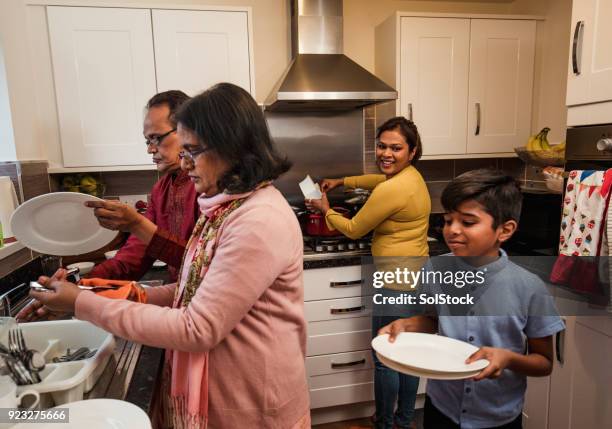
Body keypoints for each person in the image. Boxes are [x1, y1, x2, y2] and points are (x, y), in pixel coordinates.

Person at [28, 83, 310, 429]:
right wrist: (108, 292)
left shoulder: (257, 220)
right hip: (227, 394)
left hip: (251, 404)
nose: (184, 163)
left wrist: (81, 305)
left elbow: (197, 328)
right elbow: (191, 288)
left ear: (230, 148)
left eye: (192, 151)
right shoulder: (221, 210)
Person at [379, 169, 565, 429]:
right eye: (447, 220)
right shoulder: (435, 269)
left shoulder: (529, 288)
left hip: (498, 417)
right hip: (441, 406)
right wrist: (407, 325)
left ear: (505, 229)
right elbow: (433, 320)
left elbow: (544, 363)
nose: (452, 230)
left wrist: (508, 359)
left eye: (467, 222)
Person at [307, 116, 431, 429]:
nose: (386, 154)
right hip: (416, 274)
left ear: (412, 151)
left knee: (386, 356)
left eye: (396, 148)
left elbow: (353, 229)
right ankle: (403, 420)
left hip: (395, 281)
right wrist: (341, 182)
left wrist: (326, 210)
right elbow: (378, 181)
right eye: (381, 146)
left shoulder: (394, 189)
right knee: (407, 352)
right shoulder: (411, 177)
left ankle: (386, 423)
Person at [86, 90, 198, 282]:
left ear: (186, 131)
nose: (150, 149)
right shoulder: (160, 189)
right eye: (148, 141)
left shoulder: (208, 184)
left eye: (156, 138)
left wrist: (136, 224)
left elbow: (201, 263)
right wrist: (85, 283)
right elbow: (134, 256)